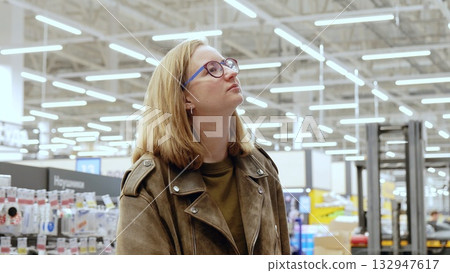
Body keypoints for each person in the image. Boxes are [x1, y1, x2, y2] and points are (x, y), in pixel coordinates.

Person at [115, 38, 290, 254]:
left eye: (227, 64)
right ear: (184, 98)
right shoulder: (149, 184)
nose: (231, 73)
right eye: (212, 70)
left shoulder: (261, 168)